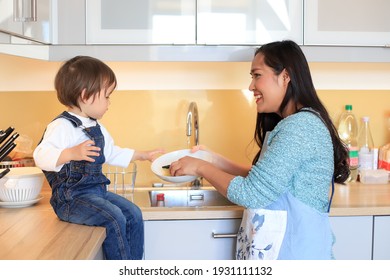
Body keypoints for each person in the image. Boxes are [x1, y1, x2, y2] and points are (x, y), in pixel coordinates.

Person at [169, 40, 350, 260]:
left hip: (296, 256)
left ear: (285, 77)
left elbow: (251, 192)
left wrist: (201, 167)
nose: (251, 86)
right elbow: (264, 180)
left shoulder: (300, 127)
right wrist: (213, 159)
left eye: (257, 75)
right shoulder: (296, 123)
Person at [33, 56, 162, 260]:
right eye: (107, 96)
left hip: (96, 193)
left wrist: (143, 155)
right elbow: (40, 156)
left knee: (134, 213)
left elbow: (111, 152)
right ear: (86, 96)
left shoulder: (96, 126)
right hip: (71, 200)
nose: (109, 103)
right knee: (114, 217)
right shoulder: (61, 127)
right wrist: (71, 153)